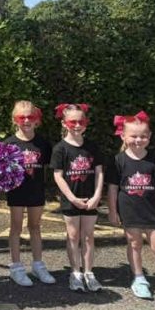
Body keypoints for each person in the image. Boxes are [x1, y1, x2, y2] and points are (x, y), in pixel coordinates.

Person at [106, 111, 155, 302]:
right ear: (123, 136)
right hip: (129, 211)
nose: (138, 140)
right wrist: (112, 211)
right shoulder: (118, 161)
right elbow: (112, 189)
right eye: (133, 136)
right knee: (134, 244)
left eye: (143, 136)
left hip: (152, 212)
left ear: (149, 137)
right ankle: (139, 278)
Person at [51, 103, 104, 293]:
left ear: (86, 123)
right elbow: (57, 175)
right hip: (71, 199)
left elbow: (99, 172)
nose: (77, 125)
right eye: (72, 121)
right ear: (65, 123)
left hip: (91, 199)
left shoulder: (92, 147)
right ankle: (75, 273)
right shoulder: (60, 148)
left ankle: (89, 272)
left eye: (81, 121)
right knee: (73, 236)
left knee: (88, 236)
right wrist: (72, 198)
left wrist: (97, 195)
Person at [3, 101, 55, 286]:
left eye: (30, 117)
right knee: (16, 227)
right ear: (14, 120)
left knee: (35, 226)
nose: (26, 120)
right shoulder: (8, 144)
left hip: (36, 190)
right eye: (21, 117)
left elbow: (52, 168)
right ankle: (16, 267)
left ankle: (38, 264)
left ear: (37, 120)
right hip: (16, 192)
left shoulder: (42, 144)